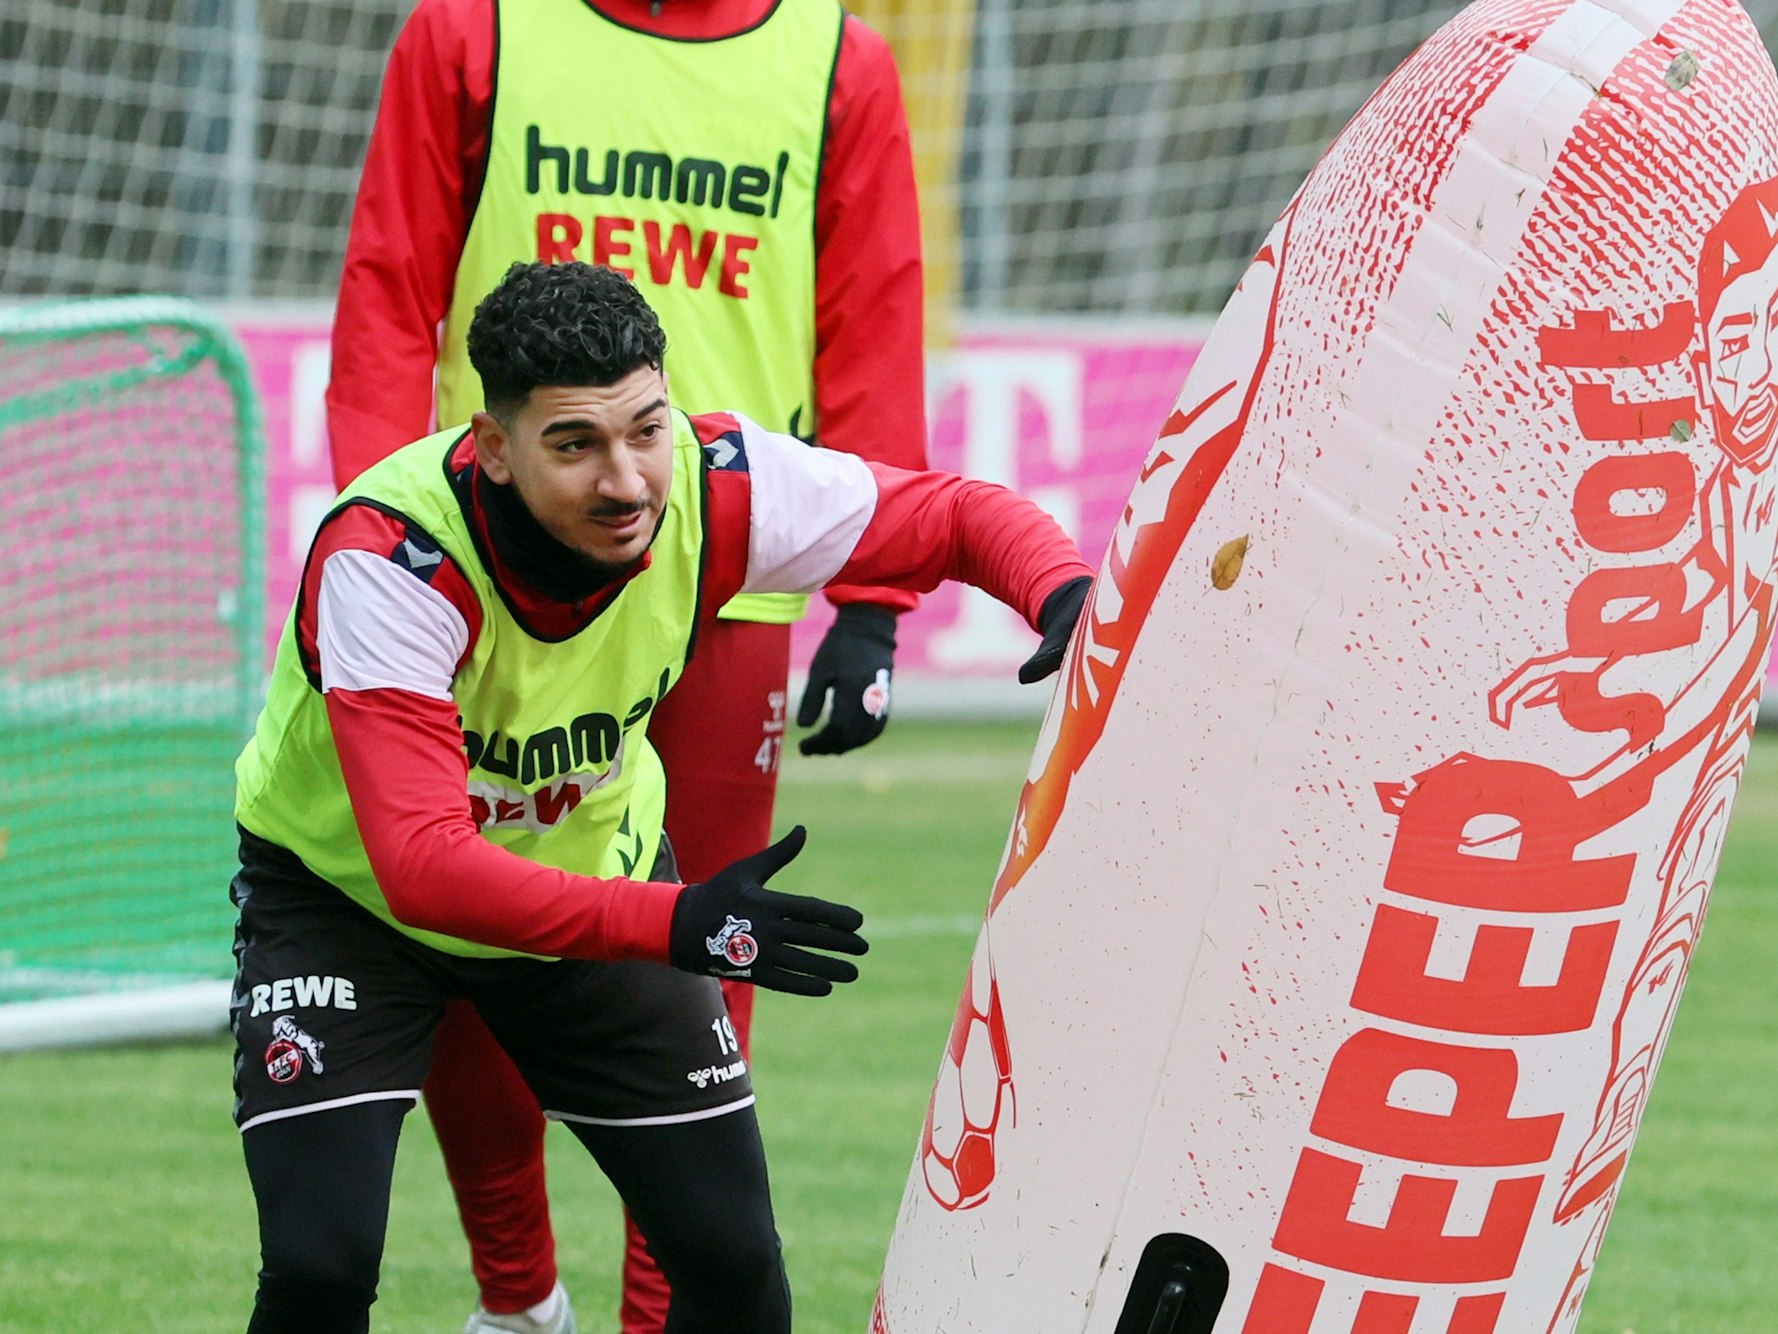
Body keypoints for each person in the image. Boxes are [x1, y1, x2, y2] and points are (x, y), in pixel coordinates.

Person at [237, 260, 1092, 1334]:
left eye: (644, 427)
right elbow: (423, 867)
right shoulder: (391, 560)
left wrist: (1063, 590)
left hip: (593, 871)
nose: (628, 480)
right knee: (320, 1264)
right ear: (493, 450)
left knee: (734, 1267)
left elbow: (955, 516)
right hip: (349, 904)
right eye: (574, 444)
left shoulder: (717, 477)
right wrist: (682, 922)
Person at [324, 2, 927, 1327]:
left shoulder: (839, 58)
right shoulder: (469, 29)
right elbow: (391, 283)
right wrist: (369, 544)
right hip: (497, 573)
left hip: (728, 576)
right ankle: (517, 1299)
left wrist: (872, 601)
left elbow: (871, 311)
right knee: (470, 938)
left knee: (704, 958)